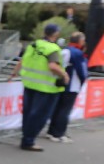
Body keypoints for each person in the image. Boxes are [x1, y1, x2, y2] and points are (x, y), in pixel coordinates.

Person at [11, 23, 67, 152]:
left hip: (30, 84)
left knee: (28, 114)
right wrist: (64, 74)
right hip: (46, 88)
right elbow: (53, 66)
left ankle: (26, 138)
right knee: (39, 116)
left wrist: (14, 73)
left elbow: (22, 61)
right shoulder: (52, 48)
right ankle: (28, 141)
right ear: (56, 34)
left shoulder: (33, 45)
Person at [46, 31, 87, 143]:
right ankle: (59, 133)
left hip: (59, 83)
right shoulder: (77, 53)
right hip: (72, 85)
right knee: (65, 110)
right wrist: (83, 81)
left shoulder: (64, 50)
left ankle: (51, 131)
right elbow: (82, 71)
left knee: (57, 108)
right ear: (80, 41)